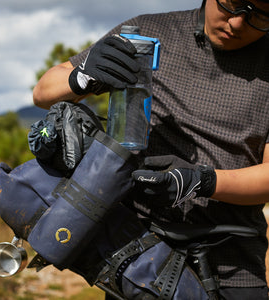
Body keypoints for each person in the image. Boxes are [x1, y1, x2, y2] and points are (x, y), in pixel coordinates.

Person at [33, 0, 269, 298]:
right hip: (137, 263)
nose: (237, 23)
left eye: (260, 16)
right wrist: (81, 76)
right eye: (232, 4)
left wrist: (201, 181)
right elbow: (43, 93)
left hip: (233, 269)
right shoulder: (148, 33)